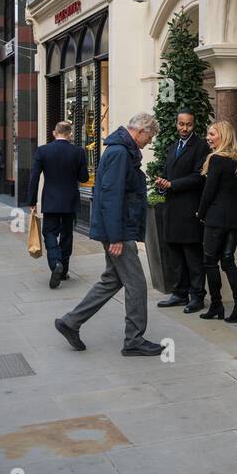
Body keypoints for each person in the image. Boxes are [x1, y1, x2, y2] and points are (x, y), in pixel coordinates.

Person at [55, 112, 164, 356]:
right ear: (140, 131)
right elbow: (111, 196)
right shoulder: (119, 153)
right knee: (136, 284)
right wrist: (115, 237)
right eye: (150, 137)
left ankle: (71, 322)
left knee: (111, 280)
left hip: (118, 228)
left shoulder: (121, 150)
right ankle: (134, 340)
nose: (149, 142)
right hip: (119, 230)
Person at [155, 110, 210, 312]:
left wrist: (171, 184)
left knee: (193, 257)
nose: (184, 128)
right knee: (176, 255)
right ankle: (179, 293)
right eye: (181, 124)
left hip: (190, 210)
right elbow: (168, 174)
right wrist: (162, 184)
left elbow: (199, 177)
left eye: (188, 124)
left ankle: (197, 296)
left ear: (194, 125)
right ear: (176, 124)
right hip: (172, 209)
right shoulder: (173, 147)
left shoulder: (201, 146)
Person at [27, 122, 89, 289]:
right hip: (70, 200)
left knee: (49, 232)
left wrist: (32, 201)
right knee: (67, 235)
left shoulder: (43, 150)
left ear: (54, 133)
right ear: (69, 134)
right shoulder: (78, 152)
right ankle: (63, 271)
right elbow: (84, 177)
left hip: (51, 200)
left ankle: (56, 263)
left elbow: (34, 177)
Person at [197, 119, 237, 323]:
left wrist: (200, 213)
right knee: (228, 261)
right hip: (235, 217)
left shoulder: (217, 160)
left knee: (210, 262)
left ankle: (216, 305)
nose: (208, 138)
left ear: (223, 136)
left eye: (212, 134)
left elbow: (209, 192)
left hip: (217, 218)